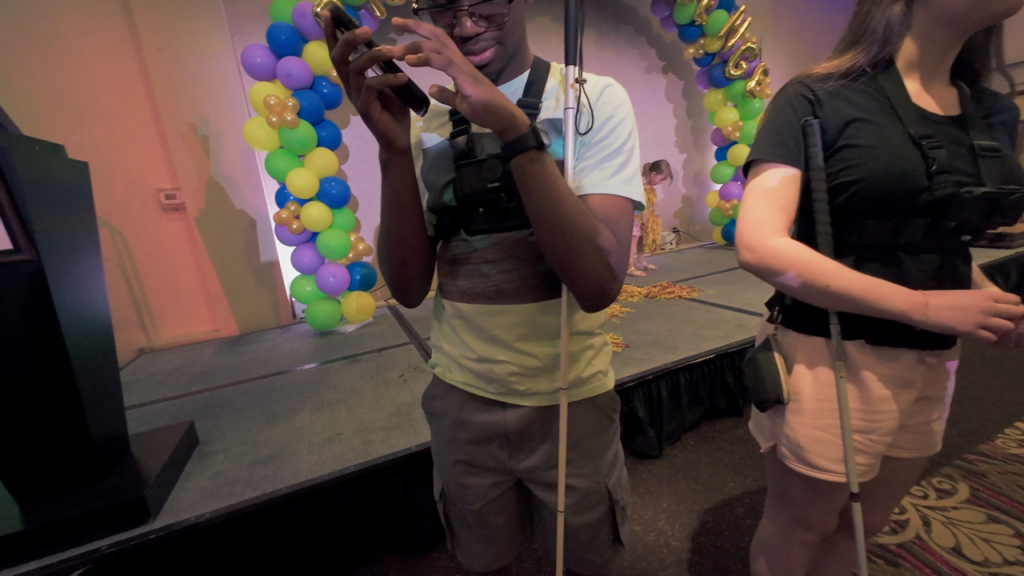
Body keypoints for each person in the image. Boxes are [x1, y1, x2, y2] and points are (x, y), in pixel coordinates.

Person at [322, 1, 644, 574]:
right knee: (482, 559)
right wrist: (394, 152)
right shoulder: (428, 120)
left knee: (588, 561)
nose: (465, 26)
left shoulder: (590, 97)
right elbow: (410, 286)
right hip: (461, 396)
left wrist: (516, 131)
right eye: (444, 8)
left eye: (484, 6)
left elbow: (598, 284)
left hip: (571, 395)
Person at [734, 0, 1024, 574]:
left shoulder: (990, 109)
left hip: (934, 353)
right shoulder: (818, 96)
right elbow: (760, 244)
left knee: (864, 525)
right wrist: (921, 304)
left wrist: (981, 296)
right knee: (803, 525)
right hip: (835, 349)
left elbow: (935, 235)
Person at [628, 160, 673, 277]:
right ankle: (629, 265)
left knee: (643, 236)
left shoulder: (650, 187)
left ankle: (641, 261)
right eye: (661, 179)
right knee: (633, 237)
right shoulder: (640, 183)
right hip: (633, 215)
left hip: (642, 216)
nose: (661, 182)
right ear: (653, 174)